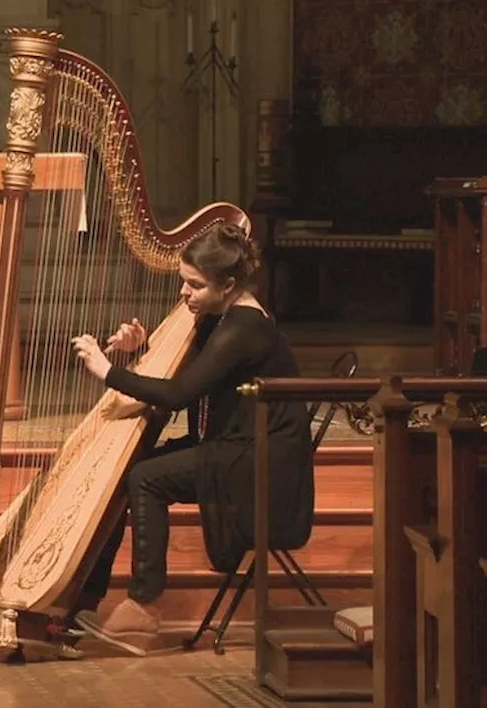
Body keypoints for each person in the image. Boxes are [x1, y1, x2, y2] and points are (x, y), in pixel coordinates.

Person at [67, 222, 314, 656]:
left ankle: (144, 608)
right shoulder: (222, 317)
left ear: (230, 285)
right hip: (235, 446)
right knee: (134, 470)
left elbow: (179, 394)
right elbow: (189, 370)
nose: (185, 293)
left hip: (259, 459)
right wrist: (139, 348)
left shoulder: (244, 329)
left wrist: (109, 371)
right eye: (183, 281)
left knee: (146, 477)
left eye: (196, 285)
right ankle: (85, 597)